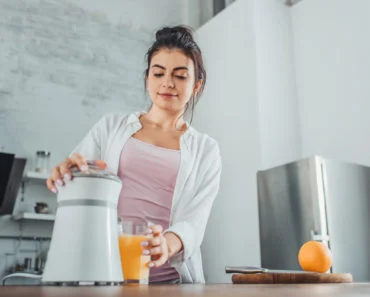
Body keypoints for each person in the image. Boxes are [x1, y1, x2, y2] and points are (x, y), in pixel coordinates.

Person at [46, 25, 222, 284]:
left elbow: (194, 222)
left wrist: (166, 244)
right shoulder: (110, 128)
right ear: (147, 78)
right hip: (104, 277)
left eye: (181, 75)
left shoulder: (206, 150)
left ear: (197, 85)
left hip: (171, 284)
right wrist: (67, 174)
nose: (167, 83)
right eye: (158, 72)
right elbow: (77, 182)